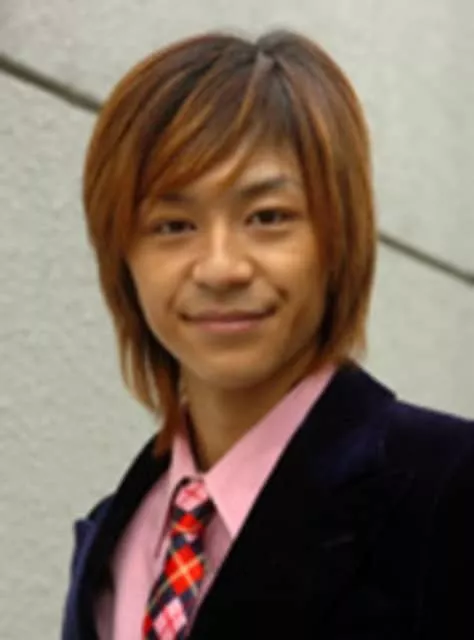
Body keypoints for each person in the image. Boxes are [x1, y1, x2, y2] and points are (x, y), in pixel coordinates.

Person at [61, 30, 474, 640]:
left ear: (339, 237)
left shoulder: (449, 491)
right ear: (123, 259)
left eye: (268, 217)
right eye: (173, 225)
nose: (221, 268)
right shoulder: (112, 539)